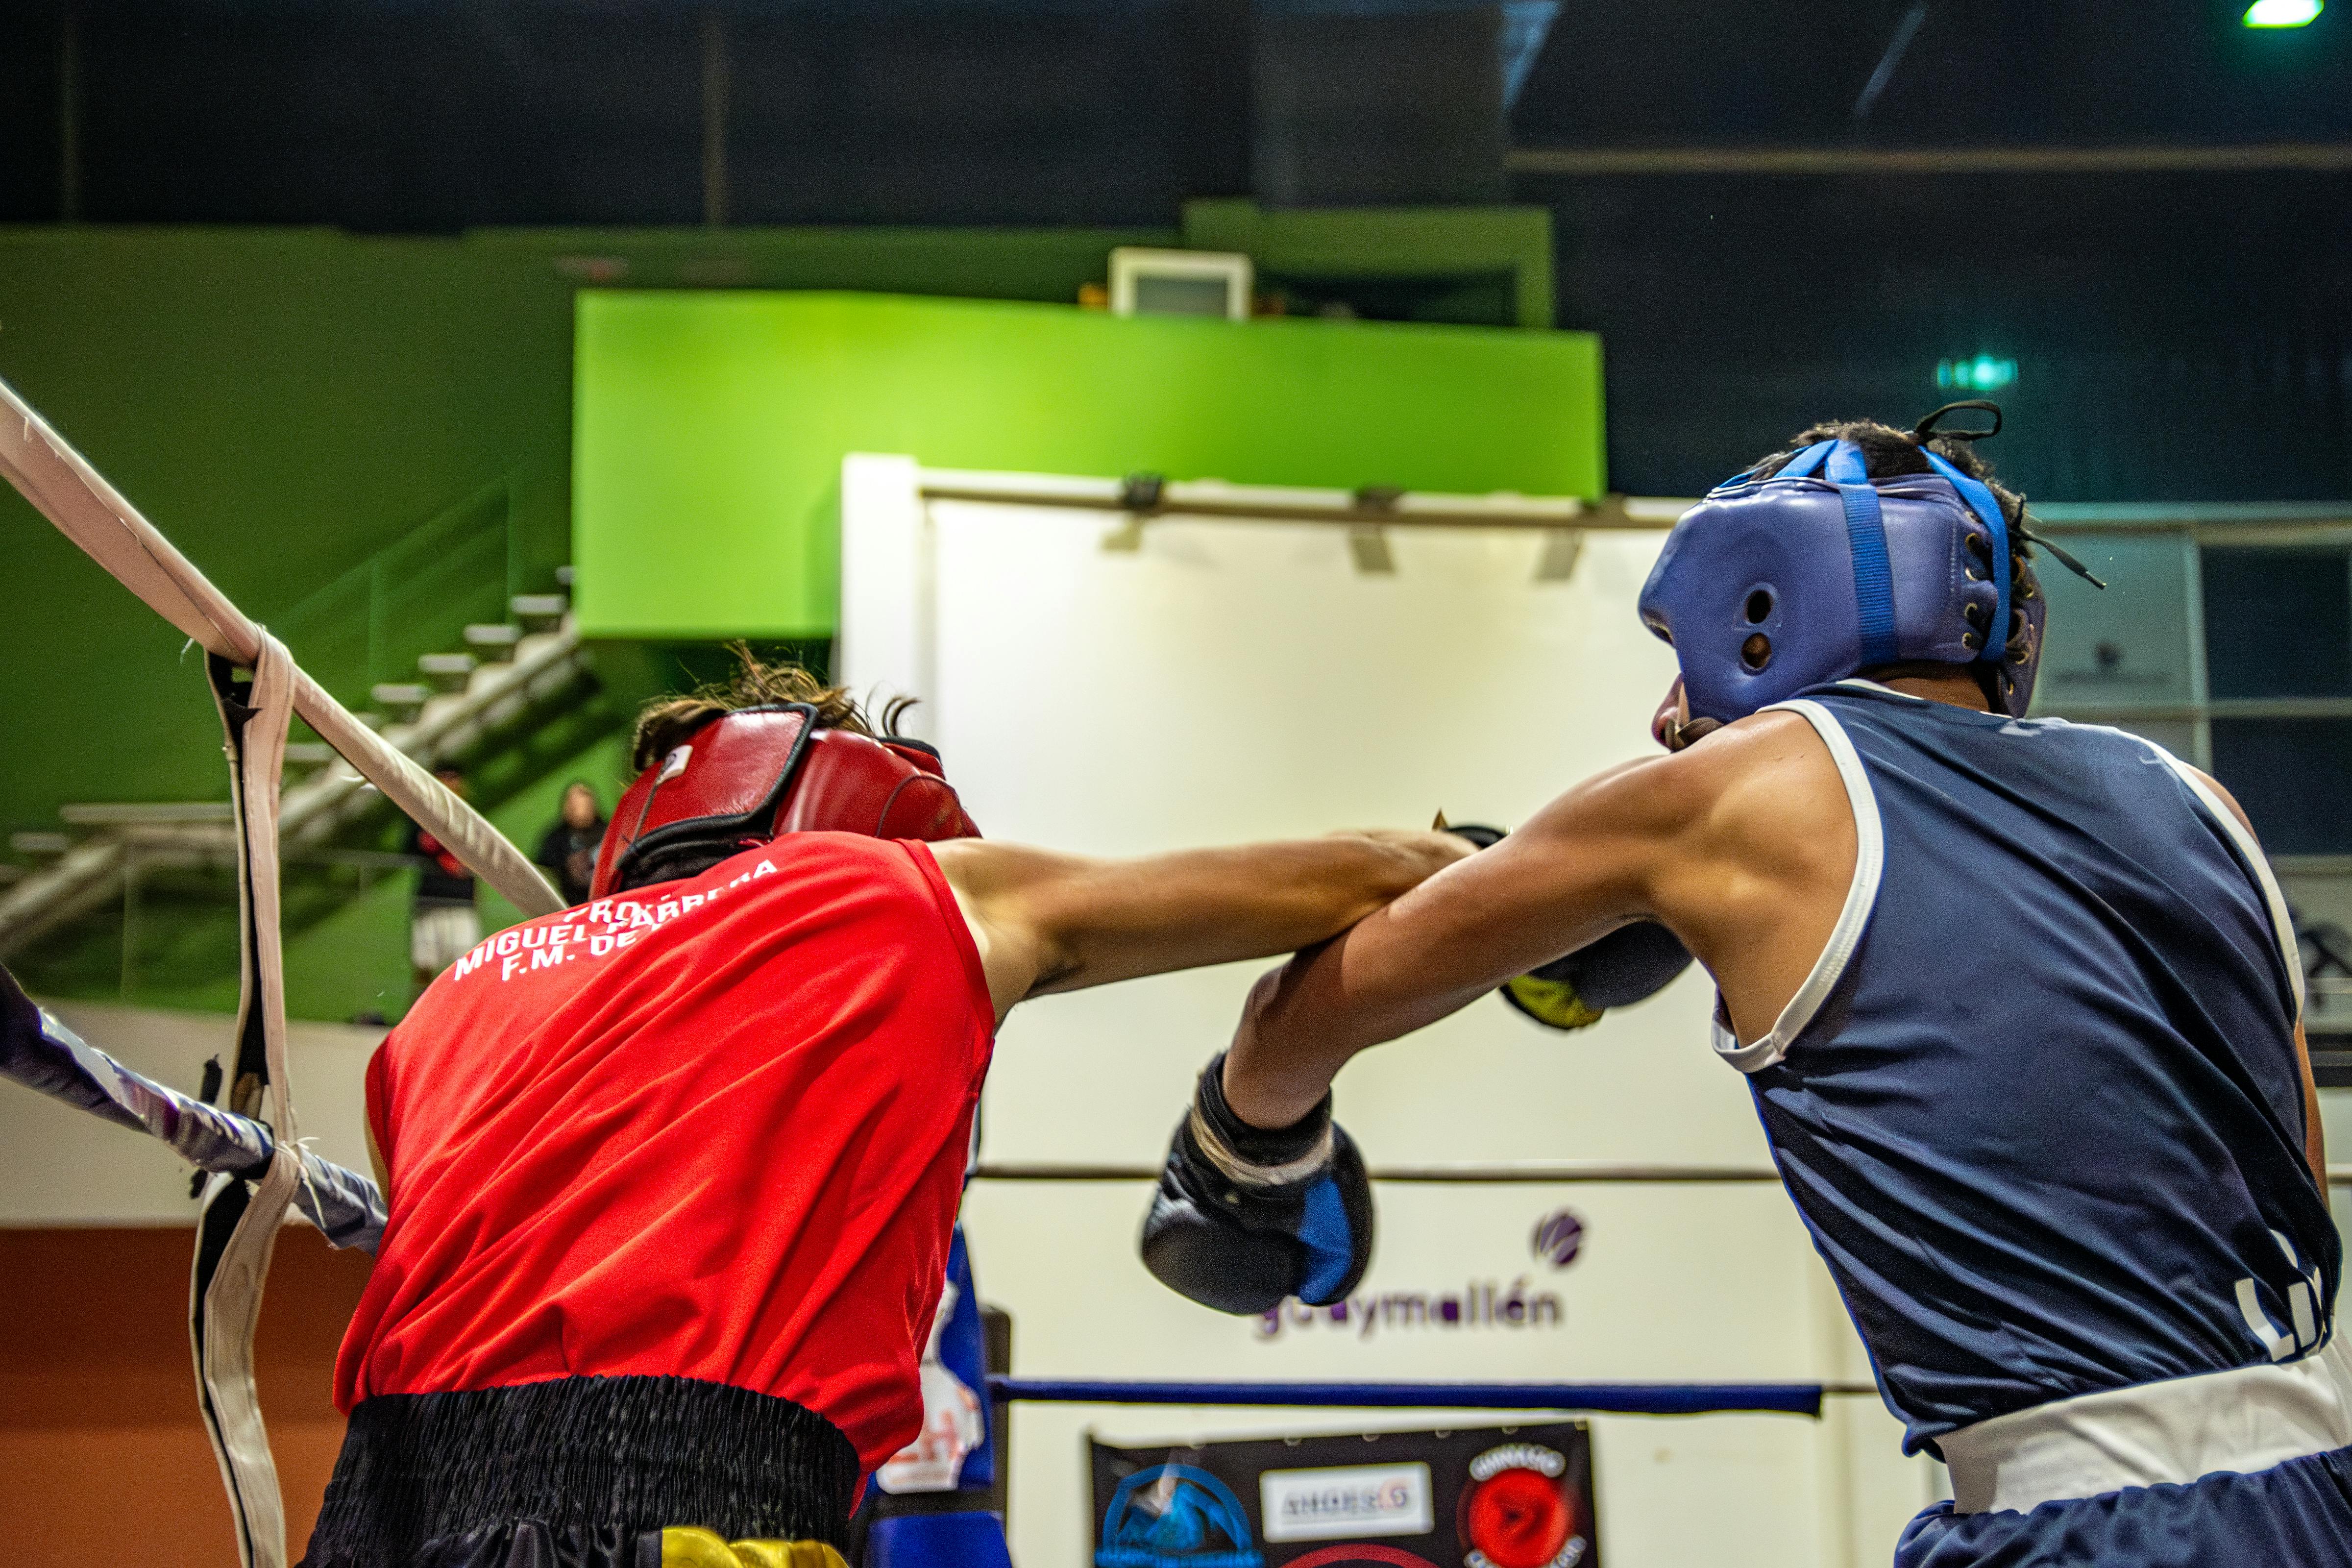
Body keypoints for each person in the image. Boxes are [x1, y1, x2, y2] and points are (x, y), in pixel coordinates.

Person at [1140, 404, 2350, 1566]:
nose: (1669, 711)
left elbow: (1312, 1011)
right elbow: (2291, 1178)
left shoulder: (1739, 792)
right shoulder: (2197, 801)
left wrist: (1244, 1145)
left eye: (1682, 657)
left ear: (1764, 609)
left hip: (2072, 1525)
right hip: (2318, 1481)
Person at [301, 655, 1470, 1568]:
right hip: (690, 1499)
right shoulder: (879, 892)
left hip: (370, 1506)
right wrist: (1503, 870)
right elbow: (1364, 874)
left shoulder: (452, 997)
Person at [405, 765, 479, 991]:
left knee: (467, 969)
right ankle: (418, 1023)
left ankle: (465, 1022)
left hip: (461, 902)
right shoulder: (421, 815)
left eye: (454, 779)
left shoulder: (471, 818)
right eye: (444, 779)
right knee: (424, 966)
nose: (450, 785)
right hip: (431, 900)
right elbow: (411, 847)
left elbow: (479, 857)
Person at [534, 780, 607, 905]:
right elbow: (541, 874)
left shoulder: (609, 831)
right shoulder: (555, 840)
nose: (579, 808)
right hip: (571, 906)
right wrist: (567, 867)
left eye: (584, 800)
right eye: (573, 803)